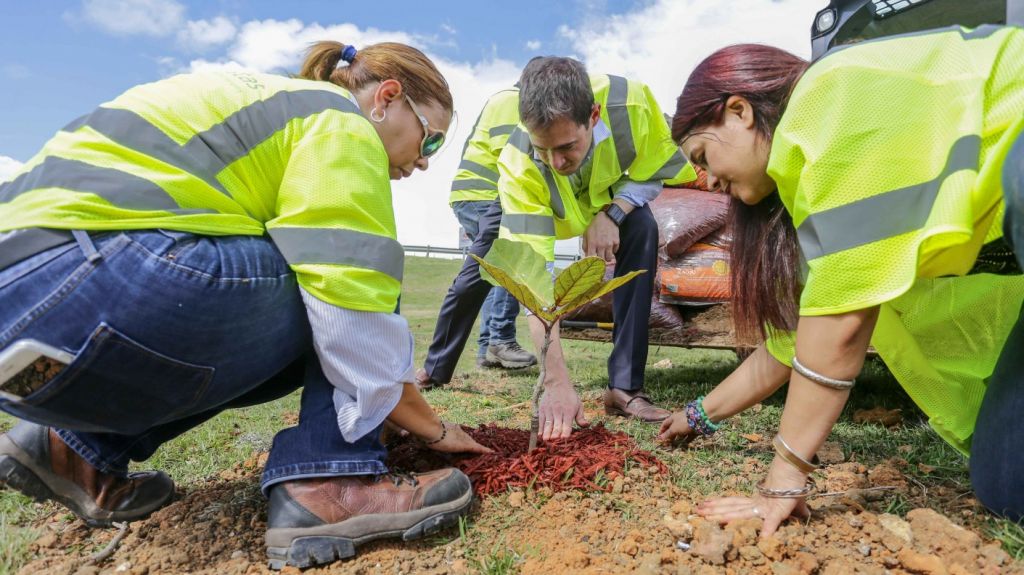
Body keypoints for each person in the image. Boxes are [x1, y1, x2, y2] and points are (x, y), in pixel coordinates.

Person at [0, 40, 492, 570]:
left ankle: (74, 450)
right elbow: (353, 307)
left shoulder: (275, 110)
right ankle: (332, 481)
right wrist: (431, 426)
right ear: (387, 98)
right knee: (353, 266)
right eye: (431, 138)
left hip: (30, 325)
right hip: (90, 281)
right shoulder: (340, 121)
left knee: (315, 295)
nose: (424, 160)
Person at [661, 25, 1024, 536]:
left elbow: (841, 324)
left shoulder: (829, 105)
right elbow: (794, 340)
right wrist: (699, 414)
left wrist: (784, 478)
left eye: (703, 155)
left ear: (739, 111)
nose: (709, 180)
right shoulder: (805, 195)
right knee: (1006, 483)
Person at [495, 56, 696, 438]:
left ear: (594, 115)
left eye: (567, 146)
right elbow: (533, 282)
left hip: (609, 199)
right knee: (494, 263)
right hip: (553, 212)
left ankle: (625, 388)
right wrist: (555, 382)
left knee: (643, 226)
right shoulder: (519, 166)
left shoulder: (633, 106)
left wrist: (613, 214)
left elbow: (653, 170)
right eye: (542, 149)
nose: (555, 162)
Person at [418, 87, 537, 386]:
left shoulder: (505, 99)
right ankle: (500, 338)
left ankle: (488, 348)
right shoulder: (513, 100)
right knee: (506, 260)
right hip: (485, 193)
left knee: (488, 268)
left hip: (474, 193)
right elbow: (518, 155)